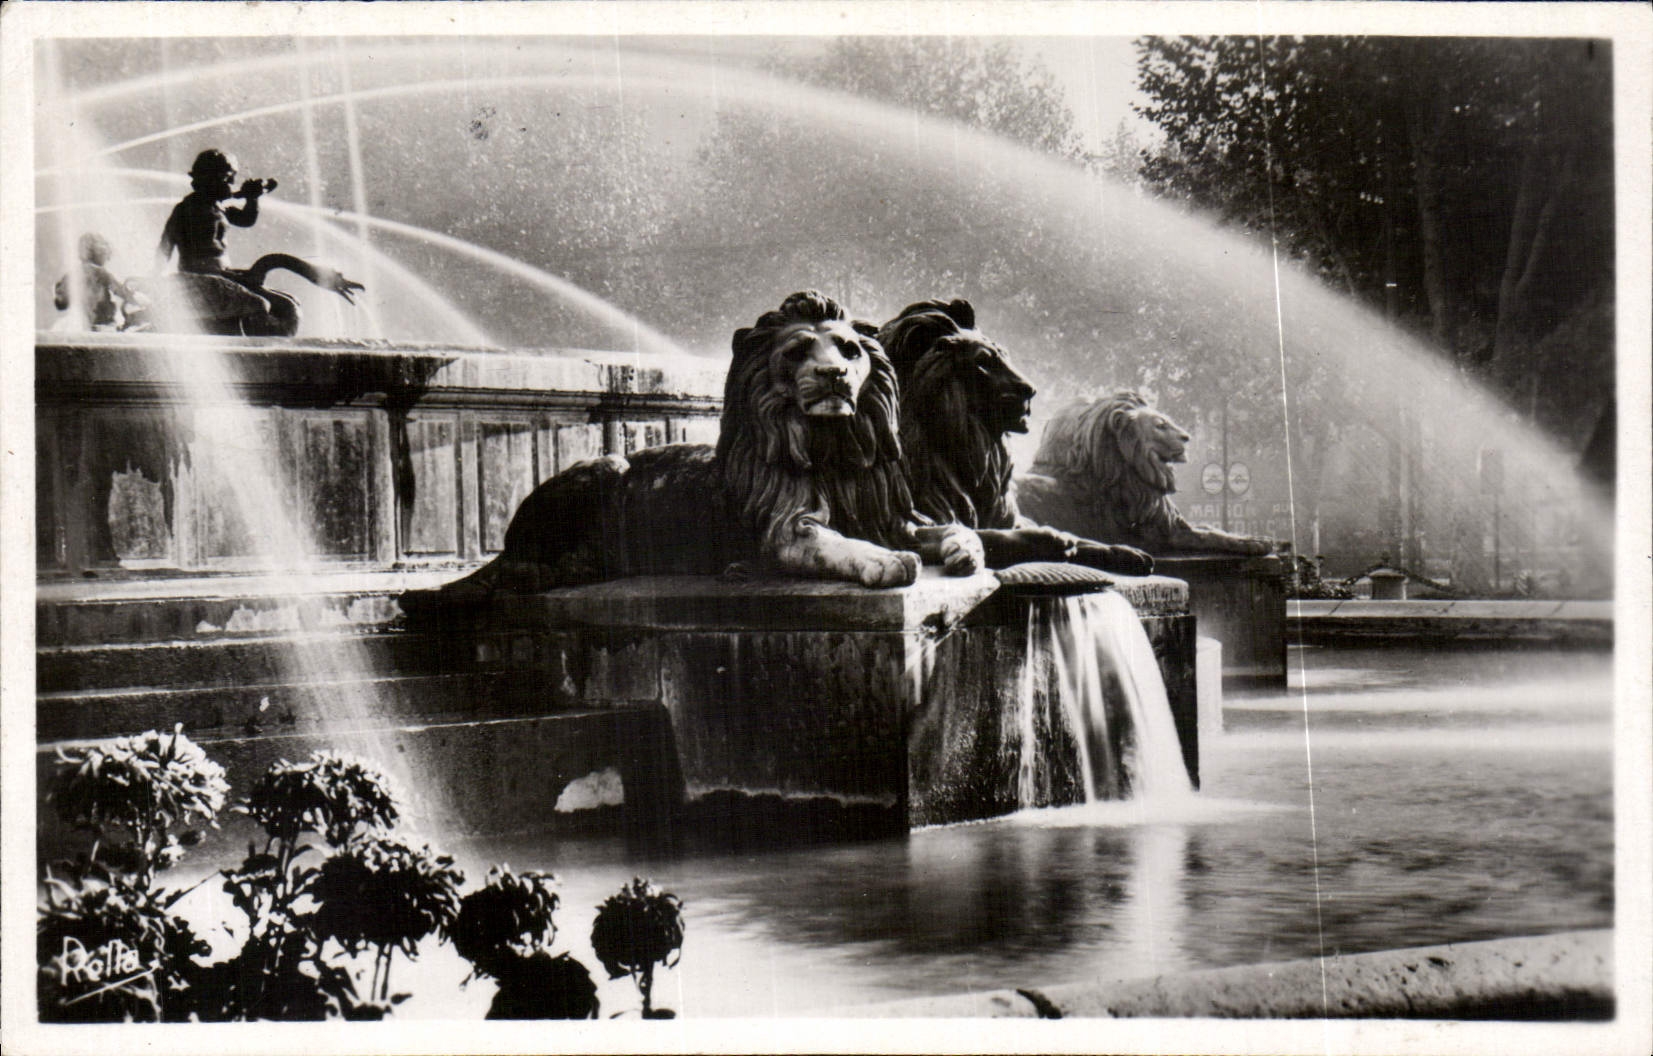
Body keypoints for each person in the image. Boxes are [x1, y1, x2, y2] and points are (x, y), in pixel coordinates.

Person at [152, 148, 362, 336]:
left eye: (232, 177)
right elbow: (166, 246)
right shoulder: (191, 208)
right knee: (259, 305)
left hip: (223, 276)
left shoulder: (218, 208)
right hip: (201, 280)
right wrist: (155, 279)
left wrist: (252, 199)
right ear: (207, 178)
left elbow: (246, 219)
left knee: (289, 304)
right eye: (227, 178)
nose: (233, 184)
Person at [54, 232, 149, 331]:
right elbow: (119, 290)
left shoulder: (72, 275)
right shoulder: (102, 274)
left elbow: (61, 302)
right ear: (100, 254)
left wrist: (58, 290)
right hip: (101, 321)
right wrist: (136, 299)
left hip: (81, 321)